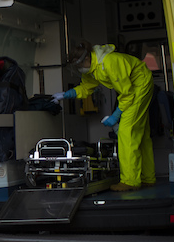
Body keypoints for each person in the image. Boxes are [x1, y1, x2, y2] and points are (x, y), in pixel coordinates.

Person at [53, 41, 155, 191]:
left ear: (86, 58)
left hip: (140, 85)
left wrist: (115, 116)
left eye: (78, 66)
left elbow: (128, 94)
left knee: (127, 133)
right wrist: (67, 94)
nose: (78, 69)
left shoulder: (108, 63)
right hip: (133, 87)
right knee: (140, 133)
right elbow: (86, 87)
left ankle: (130, 181)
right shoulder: (92, 68)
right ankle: (148, 178)